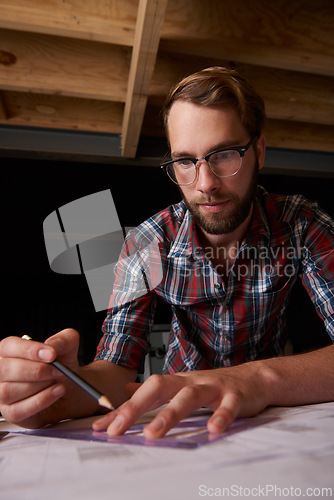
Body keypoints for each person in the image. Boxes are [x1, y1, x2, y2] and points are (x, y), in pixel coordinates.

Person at [0, 67, 334, 438]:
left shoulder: (303, 224)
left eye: (223, 155)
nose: (205, 183)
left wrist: (259, 377)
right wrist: (56, 394)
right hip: (179, 411)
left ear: (258, 151)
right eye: (186, 161)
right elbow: (114, 368)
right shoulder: (146, 244)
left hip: (273, 407)